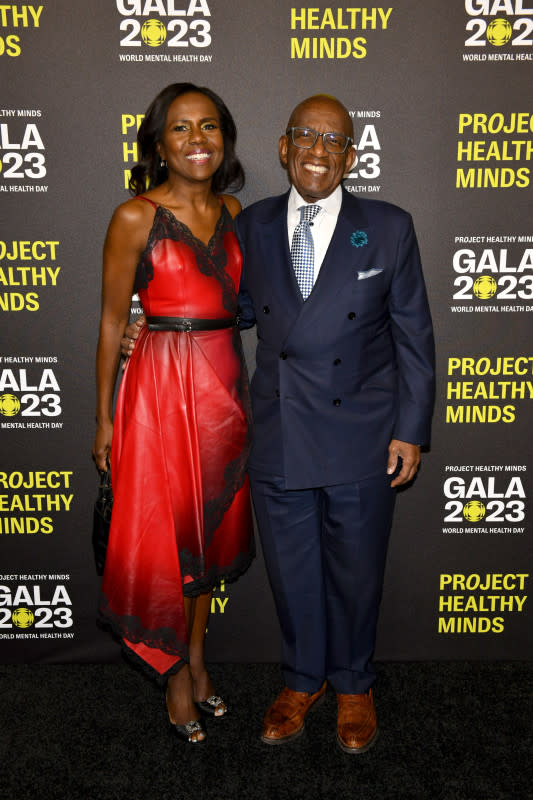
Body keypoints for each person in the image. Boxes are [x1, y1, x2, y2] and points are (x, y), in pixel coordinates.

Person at [124, 93, 435, 753]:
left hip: (362, 435)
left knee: (355, 570)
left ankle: (352, 684)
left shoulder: (387, 227)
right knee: (292, 571)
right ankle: (301, 680)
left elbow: (414, 338)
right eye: (304, 137)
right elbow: (225, 310)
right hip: (278, 431)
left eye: (332, 141)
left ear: (350, 156)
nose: (317, 152)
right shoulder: (252, 225)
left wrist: (410, 429)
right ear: (283, 147)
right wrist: (148, 322)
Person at [93, 83, 254, 744]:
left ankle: (195, 657)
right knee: (171, 541)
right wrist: (102, 420)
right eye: (181, 128)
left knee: (208, 537)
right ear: (159, 144)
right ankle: (177, 680)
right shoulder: (133, 217)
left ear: (225, 139)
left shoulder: (237, 211)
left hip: (223, 392)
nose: (197, 140)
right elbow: (109, 322)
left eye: (209, 126)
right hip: (160, 396)